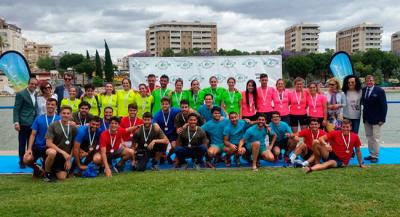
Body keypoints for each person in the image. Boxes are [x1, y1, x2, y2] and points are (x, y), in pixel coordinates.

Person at [24, 98, 60, 178]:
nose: (50, 106)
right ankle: (38, 169)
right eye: (48, 104)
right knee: (26, 159)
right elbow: (33, 134)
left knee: (52, 153)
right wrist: (29, 149)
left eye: (52, 104)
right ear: (46, 105)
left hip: (50, 147)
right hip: (38, 146)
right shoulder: (39, 118)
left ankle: (47, 172)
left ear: (56, 106)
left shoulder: (59, 119)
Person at [44, 106, 78, 182]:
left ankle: (49, 168)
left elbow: (74, 144)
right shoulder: (53, 125)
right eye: (64, 113)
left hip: (66, 155)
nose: (66, 115)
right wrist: (63, 153)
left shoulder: (73, 127)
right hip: (55, 151)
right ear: (60, 114)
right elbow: (48, 143)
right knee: (52, 152)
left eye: (68, 113)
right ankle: (47, 173)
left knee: (62, 177)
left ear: (71, 115)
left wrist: (69, 158)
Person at [361, 75, 387, 163]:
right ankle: (371, 154)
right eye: (367, 81)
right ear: (365, 82)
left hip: (377, 119)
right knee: (369, 137)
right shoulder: (363, 90)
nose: (369, 82)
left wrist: (382, 119)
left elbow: (384, 106)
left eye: (371, 80)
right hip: (366, 118)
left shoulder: (380, 91)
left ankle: (375, 156)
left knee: (376, 138)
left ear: (374, 81)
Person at [13, 77, 38, 169]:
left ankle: (30, 160)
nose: (33, 85)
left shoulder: (36, 94)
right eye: (32, 83)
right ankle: (22, 162)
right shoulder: (21, 94)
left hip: (34, 123)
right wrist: (16, 122)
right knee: (22, 144)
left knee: (31, 144)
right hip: (23, 123)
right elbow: (16, 109)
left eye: (35, 84)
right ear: (28, 84)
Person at [152, 97, 181, 164]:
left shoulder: (175, 111)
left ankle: (169, 156)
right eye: (163, 104)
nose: (164, 105)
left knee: (174, 146)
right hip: (163, 134)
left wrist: (191, 110)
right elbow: (154, 122)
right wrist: (155, 124)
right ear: (161, 105)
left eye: (166, 104)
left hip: (172, 134)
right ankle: (162, 156)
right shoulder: (157, 114)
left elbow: (184, 110)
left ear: (170, 104)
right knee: (163, 146)